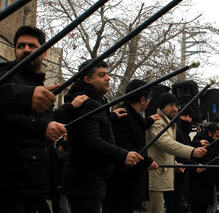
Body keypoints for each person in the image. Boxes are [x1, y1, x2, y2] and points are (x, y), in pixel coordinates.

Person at [0, 25, 87, 213]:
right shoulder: (5, 75)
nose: (26, 50)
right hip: (10, 185)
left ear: (44, 52)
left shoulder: (37, 84)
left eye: (32, 46)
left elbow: (41, 120)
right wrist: (28, 97)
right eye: (21, 45)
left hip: (35, 185)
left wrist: (69, 109)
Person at [61, 60, 144, 213]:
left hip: (92, 179)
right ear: (87, 79)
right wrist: (123, 154)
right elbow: (90, 138)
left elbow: (92, 126)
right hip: (86, 179)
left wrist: (110, 116)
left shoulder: (95, 103)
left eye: (107, 74)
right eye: (101, 75)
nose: (108, 78)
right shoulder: (89, 103)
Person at [146, 92, 207, 213]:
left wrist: (175, 163)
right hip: (155, 176)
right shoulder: (158, 123)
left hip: (163, 176)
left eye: (176, 105)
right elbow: (165, 144)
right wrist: (192, 151)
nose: (175, 108)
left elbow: (165, 153)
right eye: (171, 105)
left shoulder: (170, 124)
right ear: (162, 107)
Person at [106, 79, 159, 213]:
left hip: (129, 181)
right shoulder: (123, 114)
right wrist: (145, 161)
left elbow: (137, 126)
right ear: (142, 100)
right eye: (149, 98)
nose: (149, 101)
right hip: (123, 181)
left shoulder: (132, 114)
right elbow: (123, 142)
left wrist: (151, 120)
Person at [189, 123, 219, 213]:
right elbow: (210, 161)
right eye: (216, 136)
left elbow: (217, 156)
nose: (217, 138)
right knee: (199, 207)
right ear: (209, 133)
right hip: (200, 181)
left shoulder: (214, 142)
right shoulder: (202, 141)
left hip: (209, 180)